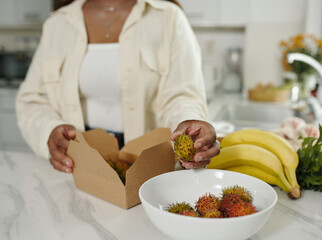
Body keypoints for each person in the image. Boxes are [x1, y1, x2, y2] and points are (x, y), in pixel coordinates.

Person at [15, 0, 220, 173]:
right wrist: (48, 130)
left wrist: (190, 125)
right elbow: (32, 100)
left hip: (150, 169)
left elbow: (182, 96)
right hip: (77, 165)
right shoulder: (57, 24)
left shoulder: (169, 18)